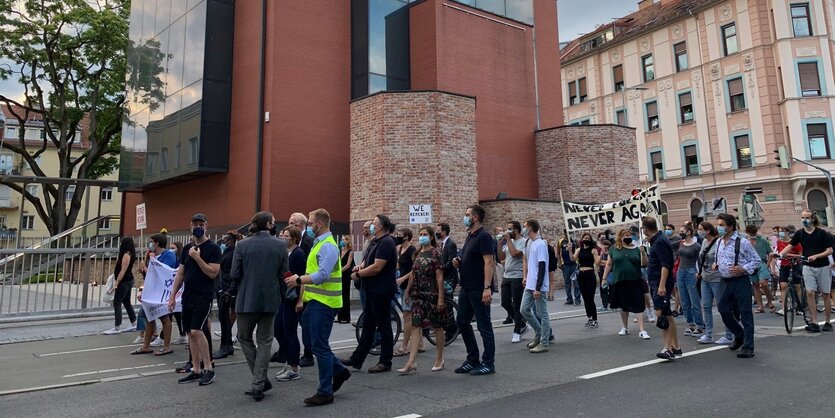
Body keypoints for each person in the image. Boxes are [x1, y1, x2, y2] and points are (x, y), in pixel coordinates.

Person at [284, 209, 350, 406]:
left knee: (319, 347)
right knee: (316, 345)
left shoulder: (328, 246)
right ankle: (339, 371)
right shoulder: (319, 244)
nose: (308, 227)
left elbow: (321, 275)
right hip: (315, 302)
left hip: (325, 304)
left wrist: (298, 280)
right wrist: (302, 298)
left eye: (311, 223)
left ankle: (325, 391)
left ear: (319, 224)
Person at [224, 212, 288, 401]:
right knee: (265, 340)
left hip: (246, 298)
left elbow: (235, 273)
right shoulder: (281, 245)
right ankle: (259, 381)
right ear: (269, 225)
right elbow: (284, 273)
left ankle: (258, 380)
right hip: (270, 298)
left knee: (244, 337)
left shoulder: (242, 245)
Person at [168, 213, 221, 385]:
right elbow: (180, 273)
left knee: (198, 331)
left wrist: (197, 258)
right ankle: (196, 369)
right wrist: (172, 295)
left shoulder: (213, 248)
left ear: (206, 226)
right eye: (195, 224)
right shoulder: (186, 249)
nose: (198, 227)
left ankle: (209, 368)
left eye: (201, 224)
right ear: (190, 226)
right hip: (187, 296)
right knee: (190, 333)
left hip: (203, 296)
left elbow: (213, 273)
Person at [342, 214, 398, 373]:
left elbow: (377, 267)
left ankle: (385, 361)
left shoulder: (387, 242)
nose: (371, 226)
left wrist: (359, 274)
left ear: (380, 227)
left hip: (381, 291)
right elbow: (367, 262)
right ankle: (357, 359)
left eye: (373, 224)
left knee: (384, 325)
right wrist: (358, 267)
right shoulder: (375, 241)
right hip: (371, 290)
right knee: (368, 325)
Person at [399, 226, 450, 374]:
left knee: (437, 326)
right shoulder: (417, 253)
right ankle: (411, 362)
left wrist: (440, 298)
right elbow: (413, 274)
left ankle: (439, 359)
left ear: (431, 236)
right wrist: (407, 291)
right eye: (420, 234)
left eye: (425, 234)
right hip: (417, 295)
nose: (422, 237)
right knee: (415, 327)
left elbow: (439, 277)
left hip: (432, 295)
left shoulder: (435, 253)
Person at [453, 204, 496, 376]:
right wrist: (459, 260)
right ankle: (473, 359)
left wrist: (487, 287)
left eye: (467, 214)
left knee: (484, 325)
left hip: (479, 288)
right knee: (462, 322)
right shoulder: (470, 236)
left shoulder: (484, 236)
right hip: (466, 287)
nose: (465, 217)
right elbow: (469, 258)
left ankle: (488, 363)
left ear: (475, 218)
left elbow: (489, 262)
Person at [714, 213, 761, 358]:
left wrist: (743, 269)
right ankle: (739, 334)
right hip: (725, 280)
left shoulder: (742, 242)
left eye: (722, 225)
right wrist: (716, 264)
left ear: (730, 226)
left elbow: (757, 261)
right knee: (723, 309)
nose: (719, 227)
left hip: (740, 280)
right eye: (718, 225)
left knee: (745, 312)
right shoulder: (719, 242)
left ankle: (748, 346)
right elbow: (719, 258)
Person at [778, 210, 833, 332]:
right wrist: (780, 254)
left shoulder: (822, 233)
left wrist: (817, 256)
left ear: (813, 219)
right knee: (809, 292)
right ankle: (814, 321)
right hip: (807, 266)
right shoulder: (800, 233)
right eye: (802, 217)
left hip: (822, 266)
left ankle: (828, 322)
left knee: (825, 294)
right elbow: (791, 245)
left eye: (807, 218)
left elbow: (829, 250)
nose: (804, 220)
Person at [131, 234, 177, 355]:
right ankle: (146, 345)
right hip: (152, 292)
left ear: (156, 243)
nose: (150, 244)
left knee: (165, 318)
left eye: (152, 242)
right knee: (149, 317)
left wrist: (147, 267)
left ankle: (166, 346)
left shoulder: (169, 256)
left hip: (162, 293)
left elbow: (164, 273)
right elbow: (150, 278)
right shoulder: (152, 256)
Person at [644, 217, 681, 360]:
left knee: (661, 315)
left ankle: (667, 348)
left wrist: (661, 285)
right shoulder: (658, 240)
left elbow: (666, 265)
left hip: (660, 282)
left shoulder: (660, 242)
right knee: (668, 314)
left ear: (645, 229)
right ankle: (676, 346)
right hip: (657, 281)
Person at [603, 229, 649, 340]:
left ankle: (642, 330)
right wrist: (604, 278)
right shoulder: (614, 249)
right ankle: (625, 327)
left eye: (629, 235)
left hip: (635, 279)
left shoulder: (636, 248)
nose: (628, 237)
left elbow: (644, 263)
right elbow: (609, 264)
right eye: (625, 236)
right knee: (623, 305)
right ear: (620, 237)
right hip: (620, 280)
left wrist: (643, 252)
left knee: (638, 304)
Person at [274, 227, 305, 382]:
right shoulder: (285, 253)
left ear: (294, 238)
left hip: (292, 298)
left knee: (290, 331)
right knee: (278, 329)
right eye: (282, 235)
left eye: (286, 236)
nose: (283, 237)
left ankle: (294, 366)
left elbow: (302, 279)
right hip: (282, 297)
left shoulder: (298, 254)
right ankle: (287, 359)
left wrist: (300, 300)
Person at [696, 221, 734, 345]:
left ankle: (729, 335)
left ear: (707, 230)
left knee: (722, 306)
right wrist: (700, 272)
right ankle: (708, 334)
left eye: (701, 229)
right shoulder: (703, 242)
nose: (699, 231)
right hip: (705, 278)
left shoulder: (718, 242)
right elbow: (701, 258)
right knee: (706, 306)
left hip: (717, 279)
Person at [288, 212, 315, 367]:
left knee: (305, 323)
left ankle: (308, 354)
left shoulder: (307, 242)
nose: (290, 226)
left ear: (300, 225)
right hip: (293, 285)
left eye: (292, 223)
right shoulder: (295, 241)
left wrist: (302, 295)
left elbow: (307, 269)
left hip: (303, 286)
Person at [520, 219, 551, 353]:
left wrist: (538, 288)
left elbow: (542, 266)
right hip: (530, 284)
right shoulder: (530, 243)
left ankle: (544, 341)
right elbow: (528, 262)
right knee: (524, 309)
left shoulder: (540, 244)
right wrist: (526, 277)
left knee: (542, 313)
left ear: (531, 228)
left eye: (525, 226)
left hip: (538, 285)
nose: (523, 228)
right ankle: (539, 333)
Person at [214, 231, 242, 360]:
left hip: (227, 290)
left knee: (224, 318)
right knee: (224, 318)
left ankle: (225, 346)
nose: (224, 242)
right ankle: (228, 345)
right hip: (225, 288)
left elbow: (233, 275)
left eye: (226, 239)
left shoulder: (233, 254)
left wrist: (229, 291)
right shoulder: (228, 252)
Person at [499, 221, 527, 343]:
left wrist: (509, 240)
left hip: (517, 275)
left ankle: (517, 331)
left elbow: (515, 254)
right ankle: (521, 322)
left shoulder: (523, 241)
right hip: (507, 275)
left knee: (516, 304)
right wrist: (500, 243)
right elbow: (501, 257)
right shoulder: (508, 242)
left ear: (516, 230)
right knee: (504, 302)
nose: (507, 231)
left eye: (509, 229)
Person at [104, 237, 138, 335]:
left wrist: (116, 283)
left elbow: (123, 270)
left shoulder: (126, 255)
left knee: (117, 302)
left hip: (124, 282)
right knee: (126, 302)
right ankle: (133, 323)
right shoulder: (130, 253)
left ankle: (117, 326)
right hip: (128, 280)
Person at [676, 224, 704, 337]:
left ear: (689, 232)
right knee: (684, 301)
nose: (681, 233)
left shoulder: (696, 246)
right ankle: (690, 324)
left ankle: (699, 326)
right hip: (680, 271)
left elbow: (700, 260)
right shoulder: (681, 244)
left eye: (682, 231)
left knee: (694, 300)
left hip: (691, 271)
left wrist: (699, 273)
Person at [394, 228, 418, 357]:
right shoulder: (399, 249)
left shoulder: (411, 250)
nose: (398, 237)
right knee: (409, 314)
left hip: (410, 285)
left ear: (407, 237)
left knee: (407, 315)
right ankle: (420, 344)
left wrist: (404, 277)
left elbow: (415, 269)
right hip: (402, 285)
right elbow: (399, 265)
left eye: (400, 235)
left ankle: (404, 346)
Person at [772, 226, 802, 316]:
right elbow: (777, 253)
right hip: (784, 265)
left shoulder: (795, 242)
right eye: (779, 231)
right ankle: (783, 308)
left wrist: (790, 255)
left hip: (795, 264)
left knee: (797, 286)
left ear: (787, 232)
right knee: (783, 285)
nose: (780, 233)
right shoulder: (779, 242)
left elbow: (800, 254)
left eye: (782, 231)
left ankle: (799, 306)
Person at [572, 232, 600, 328]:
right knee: (585, 298)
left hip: (590, 274)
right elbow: (573, 259)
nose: (586, 239)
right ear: (582, 239)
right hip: (581, 275)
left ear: (590, 240)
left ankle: (595, 319)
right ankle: (589, 318)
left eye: (588, 238)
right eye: (585, 238)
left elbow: (597, 263)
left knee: (590, 298)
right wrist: (569, 250)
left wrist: (600, 256)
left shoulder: (593, 250)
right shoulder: (579, 250)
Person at [746, 225, 775, 314]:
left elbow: (770, 253)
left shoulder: (762, 240)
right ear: (747, 233)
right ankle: (760, 306)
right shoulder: (745, 242)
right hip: (750, 264)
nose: (753, 235)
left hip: (762, 263)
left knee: (764, 283)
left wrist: (768, 264)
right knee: (755, 285)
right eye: (751, 234)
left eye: (754, 233)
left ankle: (770, 301)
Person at [558, 230, 580, 305]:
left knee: (576, 282)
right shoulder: (561, 241)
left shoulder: (575, 241)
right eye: (569, 233)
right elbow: (558, 252)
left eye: (571, 233)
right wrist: (560, 263)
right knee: (567, 283)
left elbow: (579, 250)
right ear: (565, 233)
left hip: (574, 264)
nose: (570, 234)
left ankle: (577, 299)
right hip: (565, 265)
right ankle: (569, 299)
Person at [435, 222, 459, 295]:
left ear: (444, 232)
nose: (436, 232)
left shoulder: (451, 244)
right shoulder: (443, 244)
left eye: (438, 231)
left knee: (448, 300)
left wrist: (441, 269)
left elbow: (451, 262)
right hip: (445, 276)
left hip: (450, 278)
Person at [337, 235, 355, 324]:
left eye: (344, 239)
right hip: (340, 276)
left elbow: (348, 265)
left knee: (345, 295)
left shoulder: (350, 252)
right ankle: (340, 316)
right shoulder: (340, 251)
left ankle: (346, 317)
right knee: (340, 295)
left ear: (348, 241)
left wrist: (339, 271)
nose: (342, 241)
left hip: (345, 275)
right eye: (342, 239)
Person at [598, 240, 611, 312]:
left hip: (610, 273)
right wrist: (605, 262)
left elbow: (611, 263)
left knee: (611, 289)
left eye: (604, 245)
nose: (603, 247)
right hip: (602, 273)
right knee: (603, 290)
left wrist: (604, 262)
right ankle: (605, 305)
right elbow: (598, 263)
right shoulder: (601, 254)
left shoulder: (610, 253)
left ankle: (611, 304)